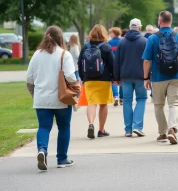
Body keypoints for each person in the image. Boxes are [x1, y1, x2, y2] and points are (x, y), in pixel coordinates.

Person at [27, 26, 79, 170]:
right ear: (60, 37)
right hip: (61, 99)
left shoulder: (37, 54)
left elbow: (29, 78)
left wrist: (34, 94)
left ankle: (42, 150)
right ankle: (62, 159)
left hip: (41, 99)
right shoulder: (64, 54)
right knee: (64, 127)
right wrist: (76, 88)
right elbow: (70, 76)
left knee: (44, 127)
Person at [142, 11, 178, 144]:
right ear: (171, 21)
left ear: (160, 21)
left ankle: (162, 133)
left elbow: (146, 61)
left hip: (158, 77)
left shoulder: (152, 38)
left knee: (158, 105)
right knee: (174, 103)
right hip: (176, 76)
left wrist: (146, 78)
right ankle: (172, 128)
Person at [78, 24, 114, 139]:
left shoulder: (85, 47)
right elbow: (113, 64)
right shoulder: (106, 47)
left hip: (89, 79)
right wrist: (114, 77)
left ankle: (91, 124)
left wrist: (83, 78)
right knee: (103, 104)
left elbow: (79, 63)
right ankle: (101, 129)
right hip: (104, 80)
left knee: (91, 103)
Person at [115, 18, 148, 137]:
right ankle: (137, 126)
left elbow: (117, 61)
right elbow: (148, 60)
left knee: (127, 101)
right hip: (141, 75)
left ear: (129, 27)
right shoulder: (144, 41)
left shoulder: (122, 42)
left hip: (125, 76)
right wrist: (149, 76)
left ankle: (128, 130)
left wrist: (116, 77)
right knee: (141, 99)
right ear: (139, 28)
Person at [108, 27, 122, 106]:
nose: (109, 34)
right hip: (121, 64)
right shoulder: (121, 42)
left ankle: (116, 96)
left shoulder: (109, 43)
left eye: (110, 33)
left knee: (114, 81)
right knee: (122, 81)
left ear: (114, 33)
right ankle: (122, 97)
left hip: (113, 64)